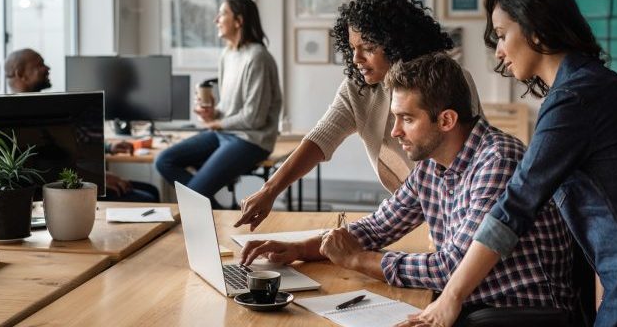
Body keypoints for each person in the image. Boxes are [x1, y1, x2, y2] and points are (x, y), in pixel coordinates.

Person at [401, 0, 617, 327]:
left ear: (537, 31)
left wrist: (451, 297)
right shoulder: (589, 85)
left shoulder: (574, 99)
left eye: (503, 34)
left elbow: (516, 205)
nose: (499, 52)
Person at [240, 52, 575, 324]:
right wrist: (300, 249)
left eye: (407, 119)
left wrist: (357, 260)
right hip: (474, 303)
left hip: (520, 312)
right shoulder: (432, 164)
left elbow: (449, 269)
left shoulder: (496, 160)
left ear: (446, 120)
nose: (395, 132)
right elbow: (378, 226)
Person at [235, 0, 482, 230]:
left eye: (368, 48)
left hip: (458, 208)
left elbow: (466, 162)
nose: (356, 59)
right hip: (408, 209)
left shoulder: (446, 80)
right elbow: (321, 138)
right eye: (352, 48)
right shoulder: (359, 88)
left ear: (397, 43)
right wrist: (270, 190)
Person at [154, 0, 282, 209]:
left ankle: (210, 213)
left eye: (222, 14)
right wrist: (212, 113)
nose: (216, 19)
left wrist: (217, 124)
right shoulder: (227, 54)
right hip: (225, 134)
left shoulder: (258, 57)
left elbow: (254, 118)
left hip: (251, 140)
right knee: (164, 160)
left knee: (194, 194)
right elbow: (229, 109)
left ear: (239, 21)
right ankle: (218, 213)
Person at [4, 49, 158, 203]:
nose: (47, 68)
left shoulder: (41, 108)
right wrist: (97, 180)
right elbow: (47, 170)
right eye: (40, 65)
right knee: (147, 198)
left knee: (151, 190)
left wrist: (109, 149)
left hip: (76, 179)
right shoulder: (17, 117)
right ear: (20, 73)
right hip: (62, 190)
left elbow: (69, 145)